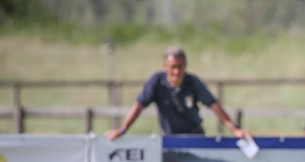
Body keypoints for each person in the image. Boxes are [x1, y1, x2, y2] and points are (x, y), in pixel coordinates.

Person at [104, 47, 251, 140]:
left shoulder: (193, 82)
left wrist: (234, 129)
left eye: (180, 67)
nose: (176, 71)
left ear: (185, 66)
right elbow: (139, 105)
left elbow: (214, 105)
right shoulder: (156, 82)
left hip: (194, 138)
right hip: (169, 139)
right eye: (173, 67)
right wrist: (123, 129)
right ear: (165, 67)